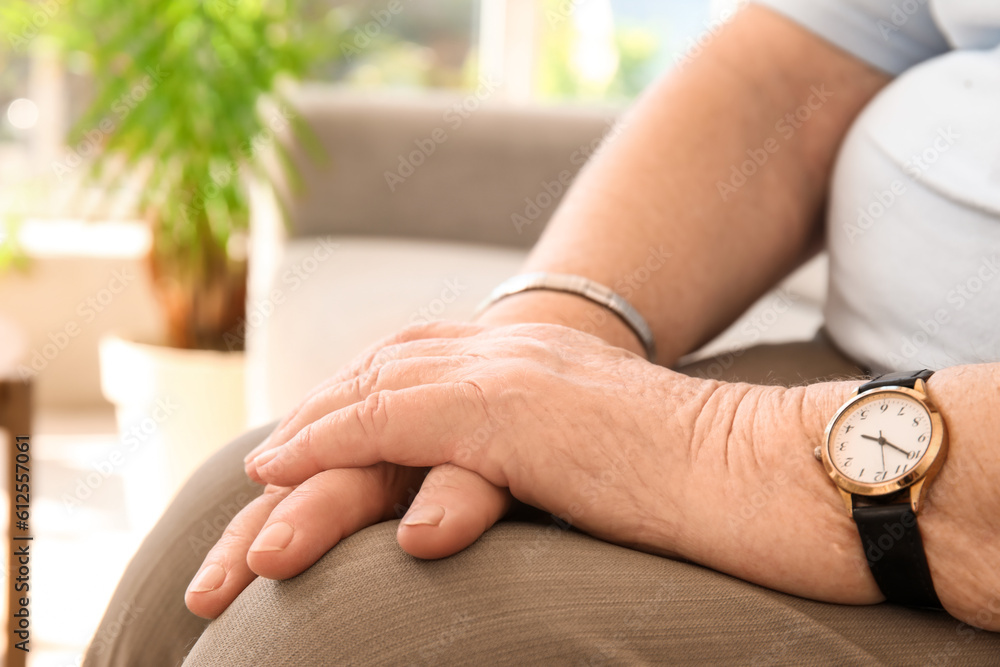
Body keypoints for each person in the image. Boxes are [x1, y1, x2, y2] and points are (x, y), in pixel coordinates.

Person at [85, 1, 1000, 664]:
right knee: (224, 524)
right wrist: (540, 345)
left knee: (347, 635)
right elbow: (798, 61)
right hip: (869, 381)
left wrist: (709, 446)